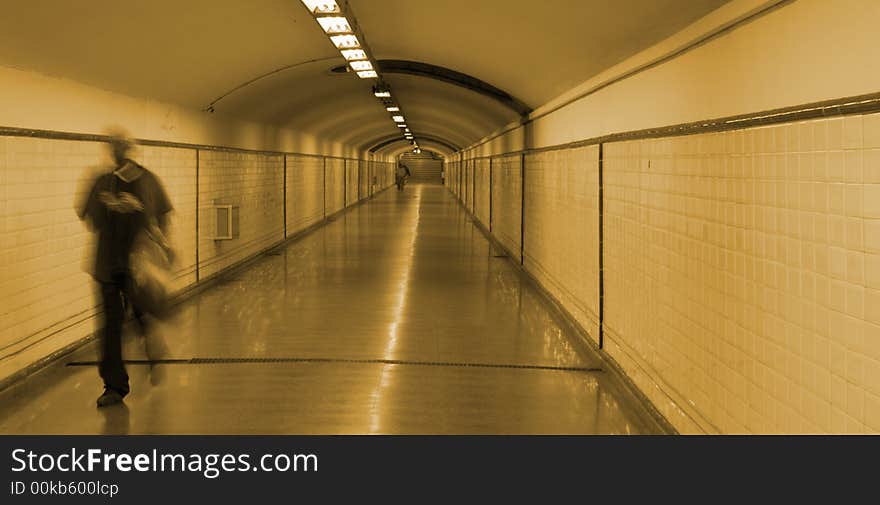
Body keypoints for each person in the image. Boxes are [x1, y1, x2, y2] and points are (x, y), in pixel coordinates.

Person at [78, 130, 174, 407]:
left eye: (120, 147)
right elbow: (88, 216)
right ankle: (114, 386)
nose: (116, 152)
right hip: (107, 263)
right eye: (113, 147)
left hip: (138, 263)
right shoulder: (101, 181)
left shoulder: (147, 180)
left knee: (141, 312)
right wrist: (109, 205)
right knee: (110, 326)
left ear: (129, 150)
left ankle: (153, 348)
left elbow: (163, 216)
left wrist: (157, 243)